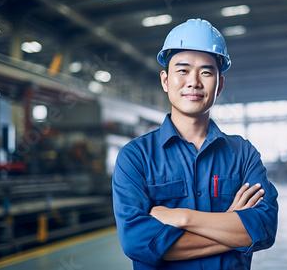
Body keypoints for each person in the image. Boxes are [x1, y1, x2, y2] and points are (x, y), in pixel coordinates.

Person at [112, 18, 278, 270]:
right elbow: (138, 242)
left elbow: (264, 227)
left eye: (206, 72)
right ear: (165, 80)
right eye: (183, 70)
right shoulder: (135, 157)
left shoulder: (243, 154)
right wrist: (230, 226)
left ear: (219, 85)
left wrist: (182, 217)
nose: (194, 82)